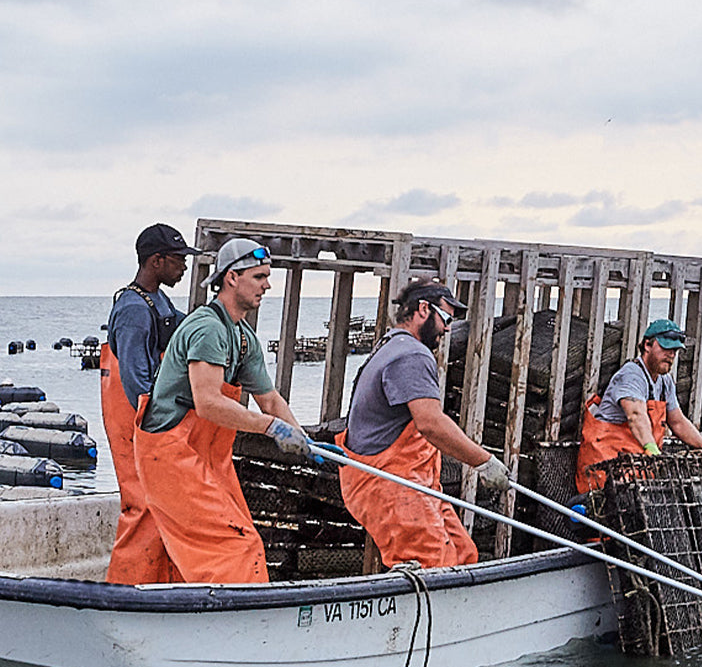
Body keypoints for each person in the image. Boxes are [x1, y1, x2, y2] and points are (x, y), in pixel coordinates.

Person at [133, 238, 311, 584]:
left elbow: (270, 400)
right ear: (232, 277)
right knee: (234, 546)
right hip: (170, 456)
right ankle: (234, 624)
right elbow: (208, 402)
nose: (267, 285)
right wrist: (272, 429)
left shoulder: (243, 337)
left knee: (244, 538)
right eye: (259, 276)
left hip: (206, 456)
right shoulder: (208, 329)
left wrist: (304, 440)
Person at [338, 280, 510, 569]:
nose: (447, 329)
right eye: (445, 318)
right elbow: (430, 423)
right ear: (422, 310)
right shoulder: (412, 355)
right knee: (430, 565)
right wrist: (484, 462)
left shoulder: (390, 346)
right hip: (392, 484)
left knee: (462, 554)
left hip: (415, 482)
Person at [101, 223, 197, 584]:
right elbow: (136, 381)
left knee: (161, 504)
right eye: (178, 260)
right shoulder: (132, 309)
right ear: (156, 261)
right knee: (141, 504)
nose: (184, 268)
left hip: (151, 416)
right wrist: (156, 426)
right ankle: (126, 588)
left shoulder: (159, 300)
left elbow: (182, 333)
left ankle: (161, 583)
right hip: (136, 420)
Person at [576, 317, 702, 494]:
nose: (671, 355)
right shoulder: (631, 375)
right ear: (647, 345)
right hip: (605, 469)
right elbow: (636, 416)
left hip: (634, 468)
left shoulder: (665, 381)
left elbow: (678, 421)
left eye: (674, 350)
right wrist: (651, 448)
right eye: (665, 348)